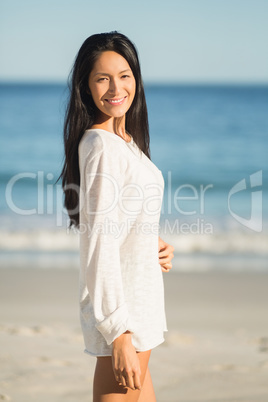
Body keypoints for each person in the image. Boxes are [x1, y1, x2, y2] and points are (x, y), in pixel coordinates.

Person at [59, 31, 174, 402]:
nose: (115, 88)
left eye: (124, 75)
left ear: (136, 79)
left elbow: (118, 222)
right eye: (101, 78)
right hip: (123, 319)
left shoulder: (127, 143)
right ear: (86, 87)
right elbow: (98, 244)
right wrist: (118, 332)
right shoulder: (100, 145)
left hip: (140, 310)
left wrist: (148, 243)